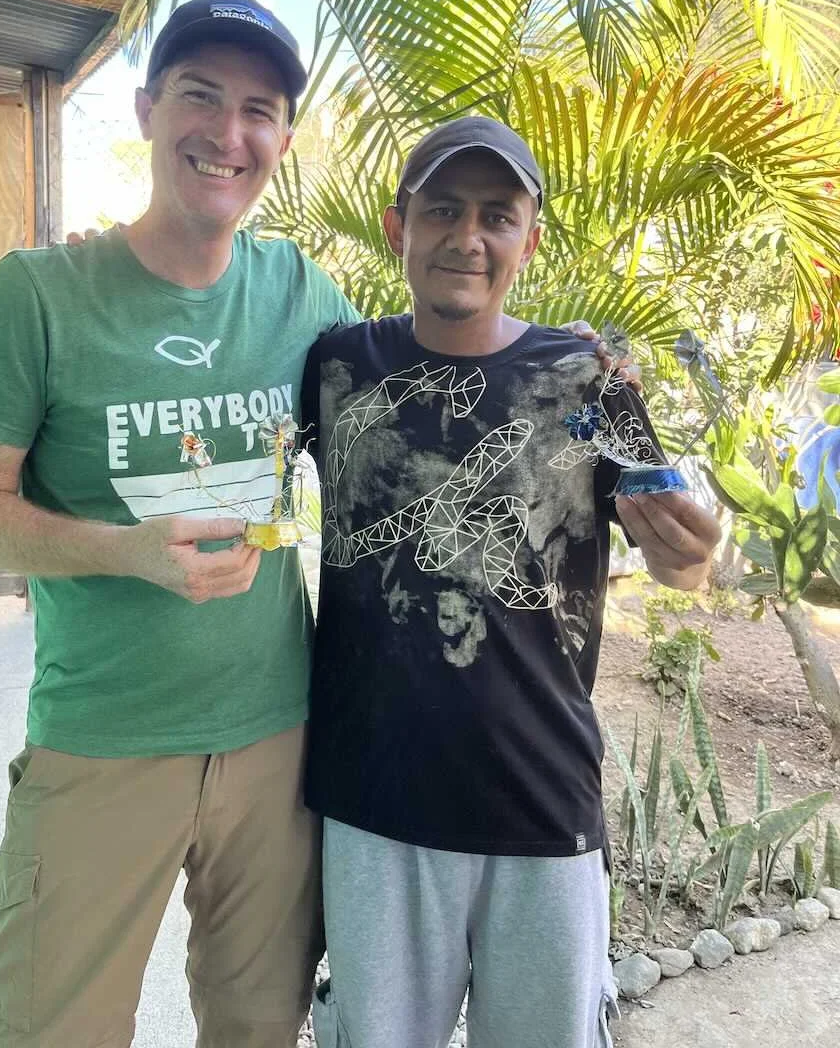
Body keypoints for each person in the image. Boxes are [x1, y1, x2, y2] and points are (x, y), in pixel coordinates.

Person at [0, 0, 360, 1048]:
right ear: (146, 110)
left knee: (259, 1027)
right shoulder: (37, 296)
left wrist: (576, 380)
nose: (228, 133)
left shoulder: (302, 292)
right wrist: (120, 552)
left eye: (259, 110)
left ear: (284, 139)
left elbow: (419, 411)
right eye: (200, 96)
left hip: (276, 741)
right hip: (101, 740)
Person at [301, 116, 722, 1048]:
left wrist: (689, 550)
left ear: (528, 241)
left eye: (498, 215)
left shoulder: (589, 378)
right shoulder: (336, 367)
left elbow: (678, 561)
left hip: (541, 802)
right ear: (397, 226)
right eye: (442, 210)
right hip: (375, 805)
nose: (468, 237)